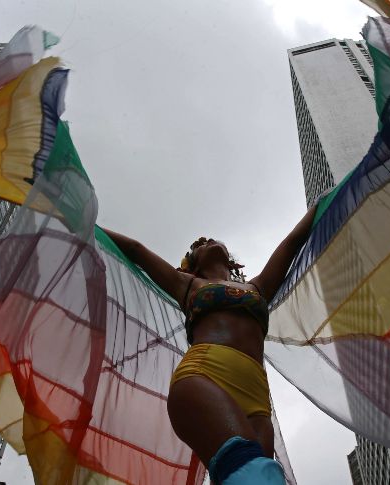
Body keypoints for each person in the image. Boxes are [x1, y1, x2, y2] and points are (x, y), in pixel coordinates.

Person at [100, 203, 317, 484]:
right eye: (198, 245)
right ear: (195, 265)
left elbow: (292, 242)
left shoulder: (258, 287)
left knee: (250, 476)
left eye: (210, 240)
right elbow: (136, 250)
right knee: (252, 473)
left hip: (257, 398)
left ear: (231, 261)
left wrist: (320, 203)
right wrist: (79, 216)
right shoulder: (186, 286)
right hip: (205, 376)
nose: (206, 241)